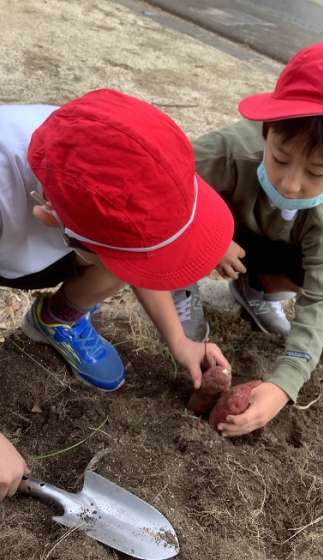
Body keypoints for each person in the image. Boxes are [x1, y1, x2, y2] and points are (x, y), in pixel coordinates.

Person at [0, 88, 234, 500]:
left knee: (122, 255)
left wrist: (179, 340)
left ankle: (55, 318)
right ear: (49, 215)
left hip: (35, 244)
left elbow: (144, 250)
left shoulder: (104, 149)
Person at [173, 41, 323, 437]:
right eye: (280, 159)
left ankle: (258, 291)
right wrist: (210, 235)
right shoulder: (230, 152)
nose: (291, 183)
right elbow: (167, 186)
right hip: (220, 228)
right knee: (178, 214)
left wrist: (284, 383)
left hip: (266, 249)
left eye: (316, 172)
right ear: (267, 133)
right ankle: (180, 286)